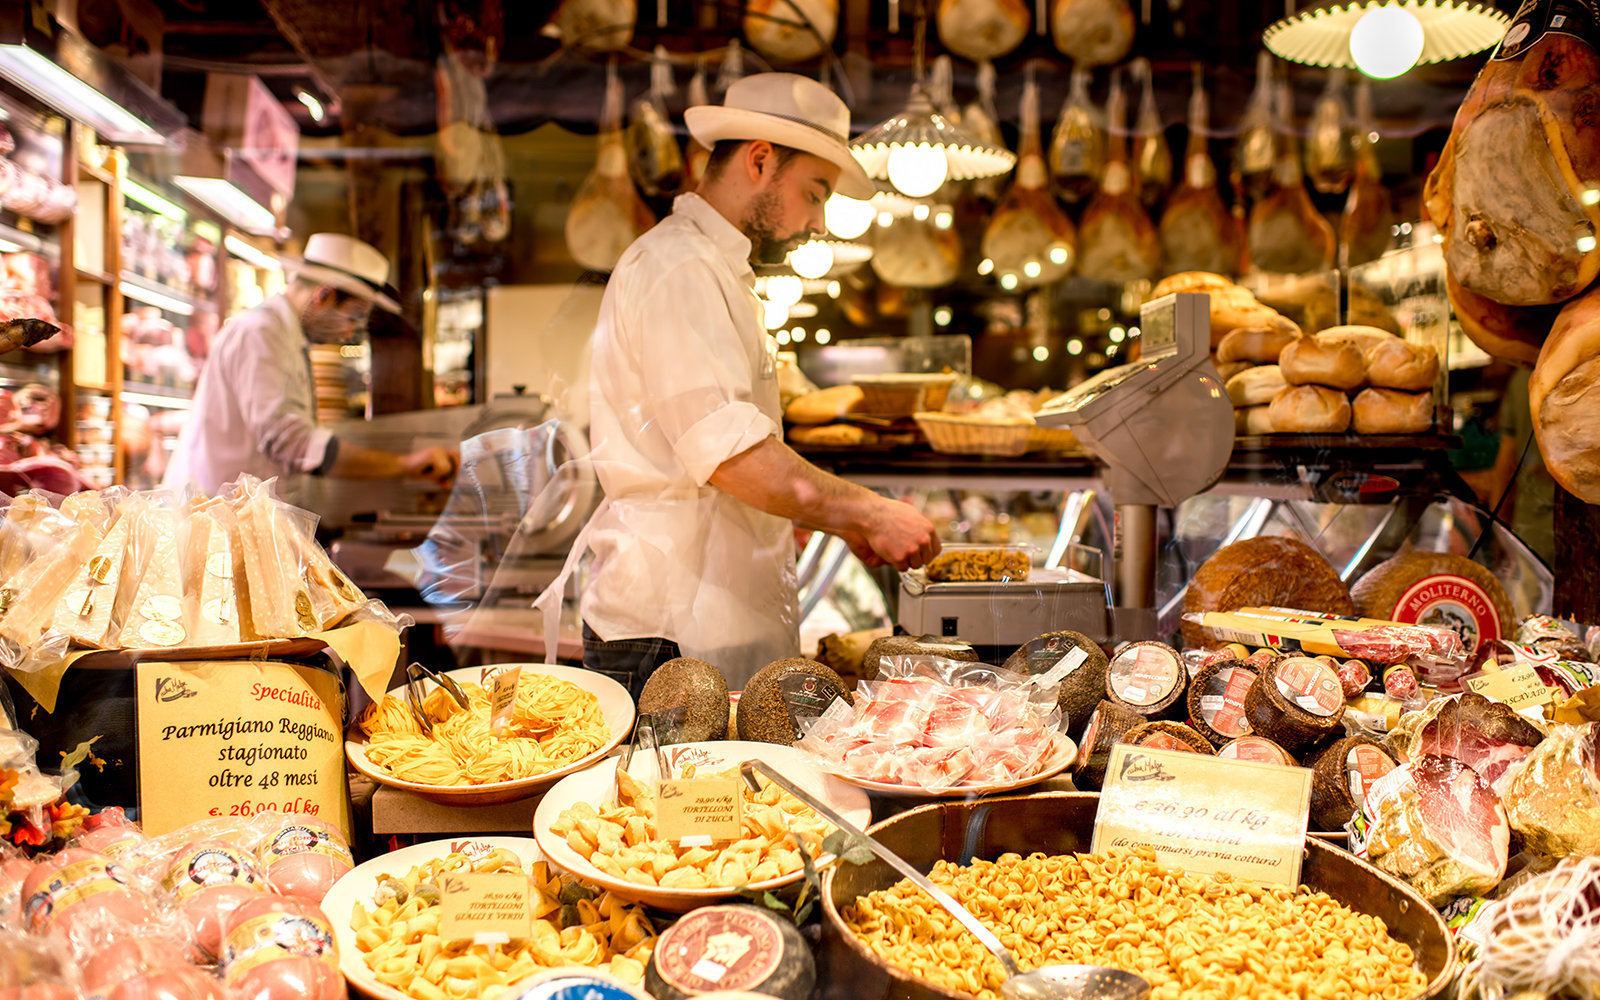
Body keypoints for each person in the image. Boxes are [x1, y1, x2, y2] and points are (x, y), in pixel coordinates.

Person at [577, 73, 942, 692]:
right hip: (671, 629)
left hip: (704, 618)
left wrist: (845, 522)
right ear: (760, 160)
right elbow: (732, 459)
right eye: (815, 192)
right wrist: (870, 512)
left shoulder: (715, 271)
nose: (819, 221)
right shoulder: (680, 268)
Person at [165, 234, 457, 500]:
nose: (348, 333)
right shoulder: (262, 333)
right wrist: (404, 464)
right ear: (324, 295)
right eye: (353, 317)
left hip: (235, 519)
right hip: (212, 521)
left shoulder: (285, 334)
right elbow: (292, 443)